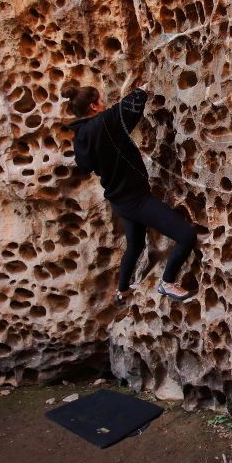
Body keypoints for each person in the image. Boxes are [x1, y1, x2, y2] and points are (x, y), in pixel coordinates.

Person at [62, 82, 197, 304]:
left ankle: (122, 291)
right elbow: (126, 108)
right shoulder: (105, 123)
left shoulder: (81, 136)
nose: (105, 104)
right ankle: (167, 283)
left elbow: (84, 166)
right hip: (137, 199)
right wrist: (142, 90)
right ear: (93, 106)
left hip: (118, 200)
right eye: (101, 100)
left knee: (135, 246)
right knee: (186, 236)